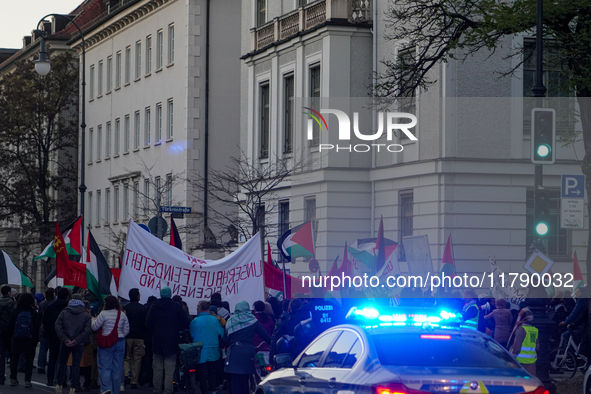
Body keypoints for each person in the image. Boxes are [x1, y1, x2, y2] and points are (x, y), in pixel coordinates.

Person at [145, 287, 189, 394]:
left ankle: (157, 389)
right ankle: (168, 390)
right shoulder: (176, 307)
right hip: (172, 340)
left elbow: (148, 324)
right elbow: (185, 321)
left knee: (157, 368)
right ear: (170, 294)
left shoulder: (154, 306)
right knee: (169, 368)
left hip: (157, 340)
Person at [224, 301, 271, 394]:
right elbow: (264, 335)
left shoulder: (230, 321)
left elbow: (225, 339)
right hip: (248, 352)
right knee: (245, 379)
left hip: (234, 353)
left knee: (236, 380)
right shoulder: (252, 320)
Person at [92, 295, 130, 394]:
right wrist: (119, 335)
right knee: (117, 367)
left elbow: (95, 327)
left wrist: (93, 320)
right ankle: (115, 390)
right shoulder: (122, 314)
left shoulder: (103, 314)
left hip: (106, 342)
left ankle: (106, 388)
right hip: (120, 341)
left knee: (104, 367)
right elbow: (126, 330)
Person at [55, 294, 92, 394]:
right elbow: (87, 329)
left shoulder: (65, 312)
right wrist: (76, 340)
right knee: (76, 365)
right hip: (78, 343)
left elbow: (58, 326)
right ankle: (73, 387)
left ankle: (59, 384)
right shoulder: (85, 314)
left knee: (62, 364)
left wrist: (65, 339)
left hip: (65, 342)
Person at [190, 300, 224, 394]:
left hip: (200, 349)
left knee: (202, 372)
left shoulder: (194, 321)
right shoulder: (214, 320)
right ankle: (213, 389)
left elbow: (192, 334)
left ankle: (204, 390)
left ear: (199, 308)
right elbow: (220, 333)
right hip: (213, 348)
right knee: (212, 371)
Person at [7, 292, 39, 388]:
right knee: (29, 360)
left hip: (17, 338)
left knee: (15, 359)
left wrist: (10, 337)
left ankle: (13, 378)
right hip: (30, 339)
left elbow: (10, 325)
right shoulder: (33, 312)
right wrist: (35, 339)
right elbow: (37, 327)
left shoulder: (16, 311)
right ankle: (27, 380)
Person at [43, 287, 70, 387]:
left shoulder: (50, 307)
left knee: (52, 358)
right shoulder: (68, 308)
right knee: (63, 360)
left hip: (53, 335)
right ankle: (62, 380)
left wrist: (49, 333)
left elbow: (45, 321)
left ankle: (50, 379)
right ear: (67, 296)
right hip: (66, 336)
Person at [123, 288, 146, 389]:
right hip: (139, 336)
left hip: (127, 336)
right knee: (137, 359)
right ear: (137, 296)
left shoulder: (125, 308)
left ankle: (125, 375)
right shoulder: (143, 308)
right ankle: (134, 381)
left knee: (126, 357)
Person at [508, 308, 538, 376]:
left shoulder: (521, 329)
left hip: (520, 361)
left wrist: (512, 355)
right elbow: (537, 345)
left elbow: (517, 346)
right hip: (532, 361)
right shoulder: (535, 330)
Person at [38, 288, 56, 374]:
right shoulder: (54, 303)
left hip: (43, 327)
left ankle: (40, 365)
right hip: (52, 327)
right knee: (52, 348)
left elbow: (40, 315)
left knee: (43, 348)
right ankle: (50, 364)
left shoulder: (42, 303)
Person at [0, 285, 15, 385]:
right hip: (10, 331)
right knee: (13, 354)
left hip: (0, 330)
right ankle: (13, 377)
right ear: (9, 293)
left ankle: (1, 376)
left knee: (1, 355)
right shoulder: (12, 303)